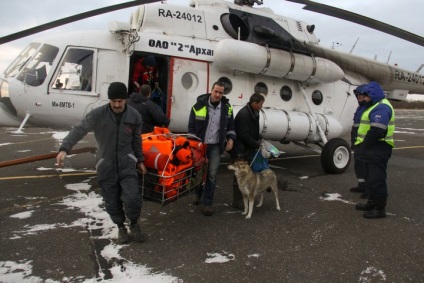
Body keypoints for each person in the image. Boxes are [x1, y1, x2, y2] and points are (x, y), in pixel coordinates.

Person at [56, 82, 147, 243]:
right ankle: (121, 228)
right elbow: (80, 129)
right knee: (112, 201)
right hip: (106, 165)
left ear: (125, 99)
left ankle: (134, 224)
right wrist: (65, 148)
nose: (117, 105)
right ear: (109, 100)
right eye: (113, 101)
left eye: (120, 101)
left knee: (133, 199)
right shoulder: (98, 114)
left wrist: (139, 160)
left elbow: (136, 140)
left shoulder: (134, 116)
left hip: (127, 163)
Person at [188, 81, 236, 216]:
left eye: (221, 93)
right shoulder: (198, 106)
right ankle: (198, 193)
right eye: (216, 91)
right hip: (200, 146)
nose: (218, 95)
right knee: (198, 172)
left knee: (212, 174)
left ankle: (207, 203)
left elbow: (231, 126)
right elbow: (191, 127)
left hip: (215, 146)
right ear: (211, 90)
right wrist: (193, 145)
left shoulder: (227, 108)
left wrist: (231, 139)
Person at [354, 81, 395, 219]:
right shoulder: (373, 106)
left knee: (377, 179)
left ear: (373, 95)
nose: (364, 99)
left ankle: (379, 208)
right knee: (370, 179)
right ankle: (371, 203)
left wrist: (364, 147)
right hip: (371, 148)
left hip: (378, 147)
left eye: (366, 96)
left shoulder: (382, 107)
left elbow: (377, 130)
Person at [230, 93, 265, 209]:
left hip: (247, 148)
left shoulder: (254, 112)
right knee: (239, 175)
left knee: (246, 175)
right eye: (260, 104)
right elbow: (243, 134)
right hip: (240, 149)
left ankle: (245, 198)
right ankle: (237, 201)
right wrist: (255, 143)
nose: (261, 106)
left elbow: (252, 131)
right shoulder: (245, 114)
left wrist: (258, 137)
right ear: (254, 103)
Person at [349, 84, 368, 198]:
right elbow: (355, 126)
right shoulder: (360, 107)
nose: (359, 97)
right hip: (358, 141)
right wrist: (353, 141)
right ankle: (361, 184)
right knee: (358, 165)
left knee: (366, 166)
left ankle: (368, 188)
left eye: (361, 95)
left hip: (365, 143)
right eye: (357, 95)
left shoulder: (368, 108)